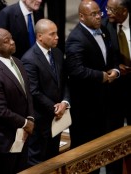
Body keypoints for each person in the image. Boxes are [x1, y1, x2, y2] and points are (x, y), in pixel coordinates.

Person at [65, 2, 119, 173]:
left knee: (107, 147)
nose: (99, 16)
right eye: (94, 14)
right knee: (87, 156)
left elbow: (111, 57)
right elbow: (76, 70)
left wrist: (116, 70)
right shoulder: (75, 38)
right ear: (81, 16)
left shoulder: (103, 29)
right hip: (86, 108)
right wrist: (101, 76)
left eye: (99, 13)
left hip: (105, 103)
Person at [0, 28, 35, 174]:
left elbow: (27, 94)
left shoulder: (17, 62)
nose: (12, 42)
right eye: (6, 41)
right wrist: (25, 123)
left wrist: (29, 117)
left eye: (11, 38)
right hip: (5, 140)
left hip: (22, 135)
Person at [21, 19, 70, 166]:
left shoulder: (57, 53)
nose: (57, 37)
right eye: (52, 34)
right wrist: (55, 107)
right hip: (41, 120)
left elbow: (64, 82)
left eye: (57, 33)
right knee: (38, 161)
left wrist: (65, 102)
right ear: (40, 36)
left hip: (57, 118)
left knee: (54, 158)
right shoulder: (29, 59)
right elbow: (34, 91)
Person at [102, 0, 131, 173]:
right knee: (112, 134)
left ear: (125, 11)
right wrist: (114, 67)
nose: (108, 12)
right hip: (115, 91)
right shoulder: (105, 27)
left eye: (112, 9)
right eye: (107, 8)